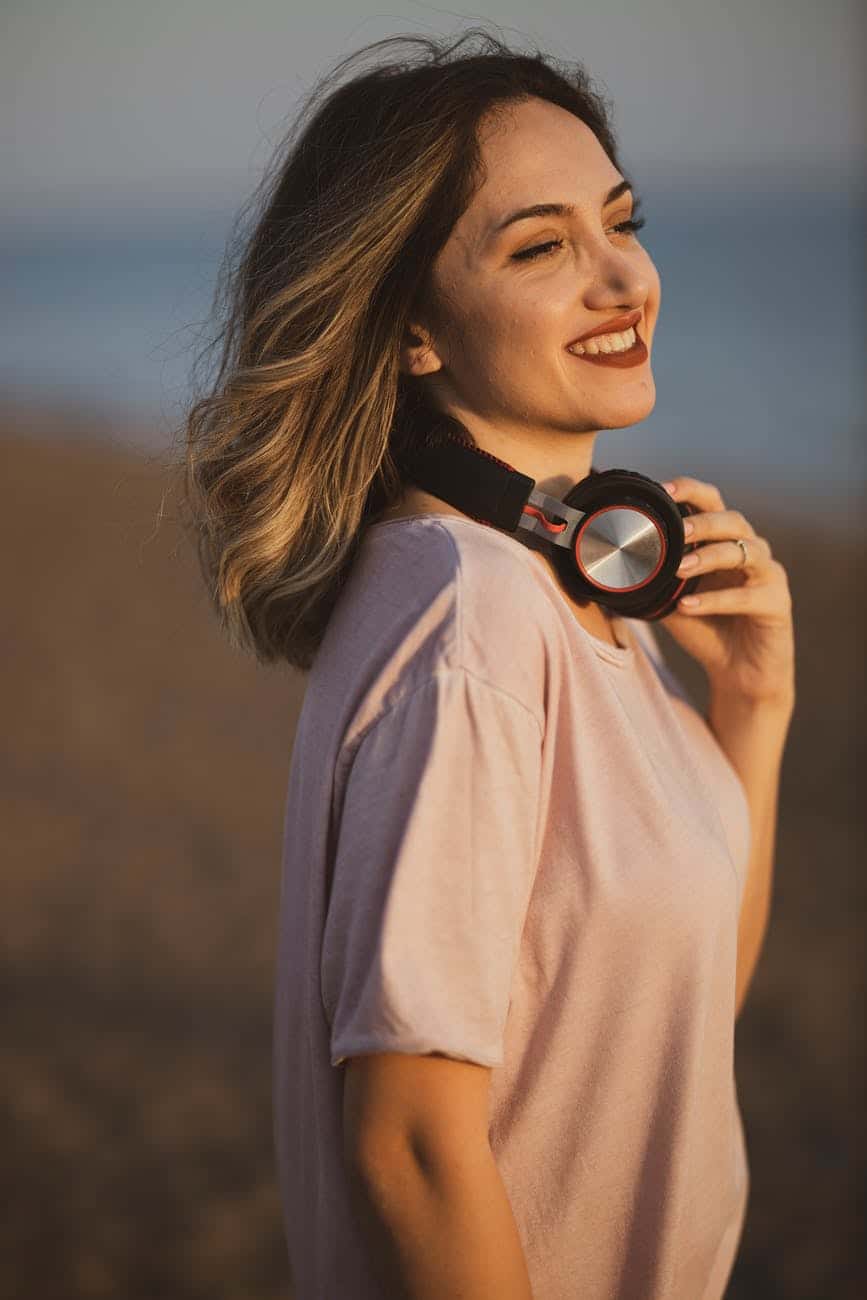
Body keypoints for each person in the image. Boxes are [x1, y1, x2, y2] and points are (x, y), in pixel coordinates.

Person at [180, 28, 796, 1300]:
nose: (624, 277)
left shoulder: (554, 582)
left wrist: (750, 706)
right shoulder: (474, 622)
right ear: (414, 333)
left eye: (620, 223)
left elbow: (668, 1020)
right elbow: (409, 1145)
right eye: (542, 247)